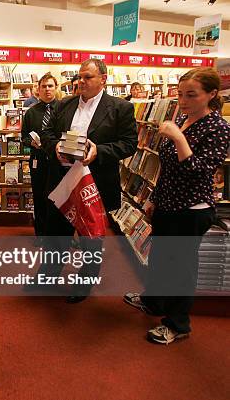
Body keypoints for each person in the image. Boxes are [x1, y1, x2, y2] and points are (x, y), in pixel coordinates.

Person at [124, 67, 230, 344]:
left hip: (192, 208)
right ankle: (154, 301)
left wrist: (179, 138)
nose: (183, 101)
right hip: (168, 202)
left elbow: (200, 170)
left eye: (191, 95)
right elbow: (167, 168)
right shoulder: (183, 118)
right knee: (160, 257)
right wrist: (154, 199)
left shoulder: (218, 127)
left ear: (211, 94)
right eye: (180, 94)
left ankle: (178, 324)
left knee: (182, 267)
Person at [40, 58, 138, 303]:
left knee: (90, 238)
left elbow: (129, 144)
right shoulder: (64, 104)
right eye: (79, 76)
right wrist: (55, 148)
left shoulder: (119, 108)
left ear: (103, 79)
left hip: (96, 182)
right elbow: (47, 134)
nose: (81, 81)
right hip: (62, 179)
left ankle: (84, 283)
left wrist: (99, 152)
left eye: (87, 77)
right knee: (56, 232)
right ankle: (48, 275)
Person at [21, 73, 59, 242]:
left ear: (56, 88)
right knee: (39, 196)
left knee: (59, 198)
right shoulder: (31, 113)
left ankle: (59, 235)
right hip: (38, 161)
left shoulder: (64, 109)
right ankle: (41, 235)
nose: (47, 89)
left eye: (50, 86)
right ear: (38, 89)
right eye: (43, 86)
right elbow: (23, 137)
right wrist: (31, 143)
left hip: (59, 162)